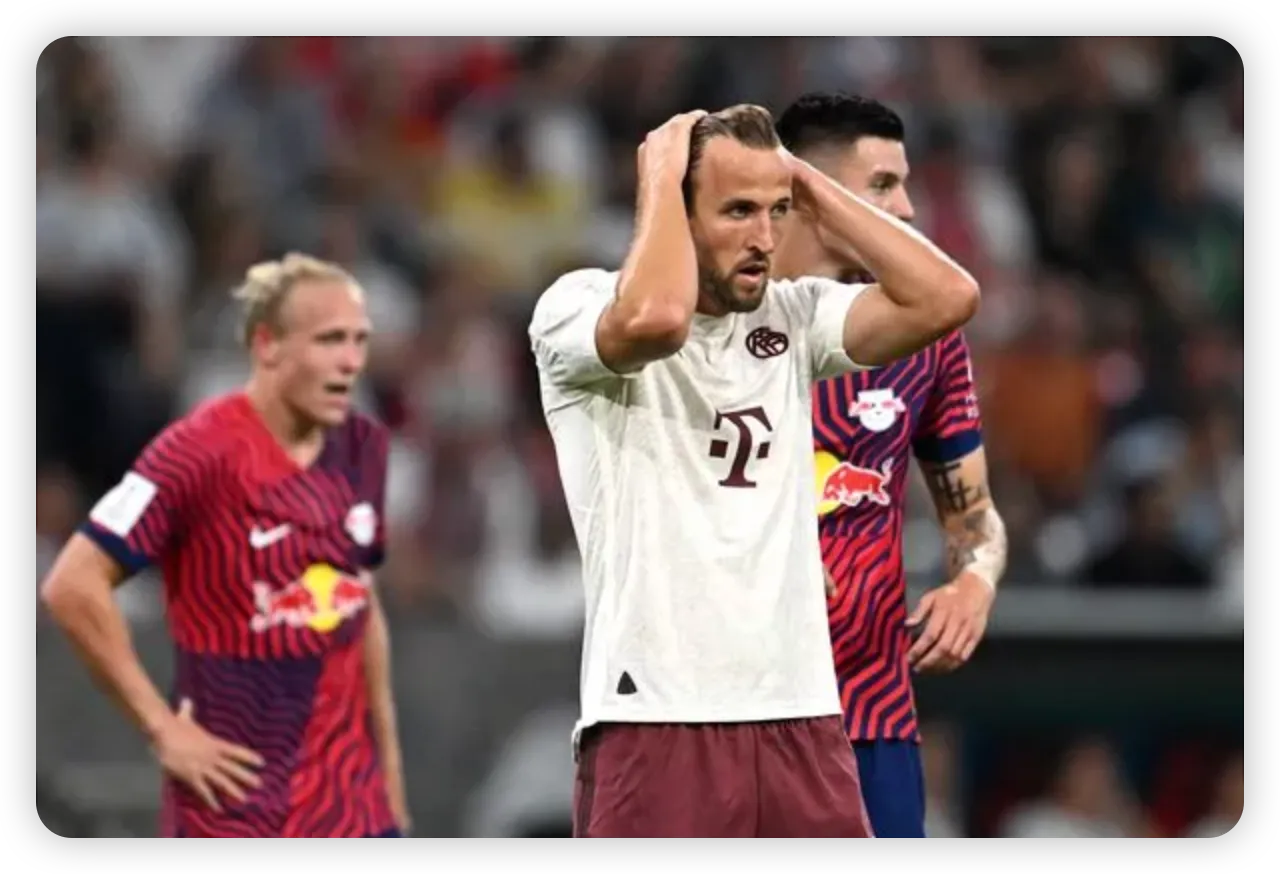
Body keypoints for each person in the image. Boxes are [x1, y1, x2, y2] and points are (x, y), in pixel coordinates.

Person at [527, 104, 980, 838]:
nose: (765, 238)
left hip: (803, 714)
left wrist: (800, 177)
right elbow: (655, 320)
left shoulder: (792, 318)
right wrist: (662, 172)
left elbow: (947, 298)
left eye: (776, 213)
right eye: (737, 210)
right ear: (672, 208)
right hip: (661, 713)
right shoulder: (575, 307)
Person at [39, 253, 410, 838]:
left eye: (358, 341)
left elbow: (361, 609)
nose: (349, 362)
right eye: (328, 341)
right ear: (268, 346)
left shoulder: (360, 447)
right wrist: (163, 729)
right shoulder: (194, 453)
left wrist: (389, 779)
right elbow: (71, 586)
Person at [773, 92, 1009, 839]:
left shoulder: (928, 339)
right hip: (731, 703)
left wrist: (975, 578)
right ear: (810, 192)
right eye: (880, 185)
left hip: (872, 710)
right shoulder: (715, 326)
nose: (906, 209)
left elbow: (973, 517)